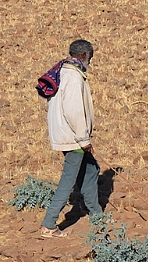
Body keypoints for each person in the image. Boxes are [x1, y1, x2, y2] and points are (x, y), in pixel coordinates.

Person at [40, 39, 103, 238]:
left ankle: (97, 215)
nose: (89, 62)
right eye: (89, 58)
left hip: (68, 135)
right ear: (83, 55)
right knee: (68, 180)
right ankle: (49, 224)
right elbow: (74, 111)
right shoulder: (74, 77)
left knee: (91, 168)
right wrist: (84, 140)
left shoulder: (62, 71)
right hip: (74, 138)